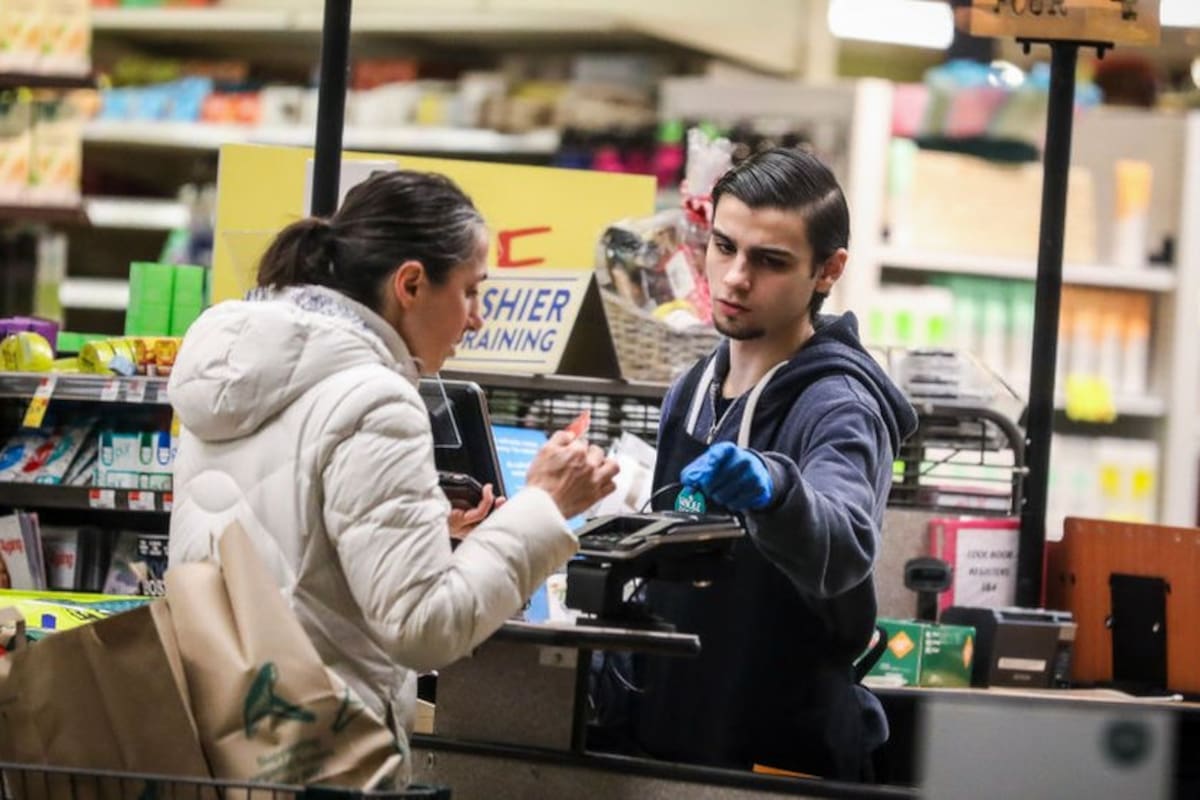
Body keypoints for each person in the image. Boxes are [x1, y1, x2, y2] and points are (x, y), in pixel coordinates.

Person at [167, 170, 619, 752]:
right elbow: (424, 628)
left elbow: (284, 546)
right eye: (470, 291)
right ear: (410, 284)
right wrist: (543, 506)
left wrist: (428, 533)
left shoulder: (237, 370)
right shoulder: (376, 398)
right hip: (317, 750)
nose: (477, 318)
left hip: (213, 736)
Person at [630, 147, 918, 781]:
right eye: (725, 247)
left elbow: (843, 544)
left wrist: (778, 493)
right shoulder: (691, 390)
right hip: (675, 744)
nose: (735, 278)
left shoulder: (839, 405)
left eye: (770, 261)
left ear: (828, 271)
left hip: (783, 761)